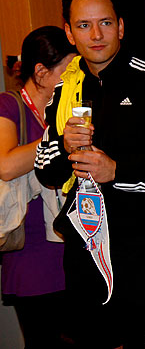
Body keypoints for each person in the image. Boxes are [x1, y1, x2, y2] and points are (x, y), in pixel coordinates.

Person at [34, 0, 145, 349]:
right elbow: (46, 171)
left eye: (105, 23)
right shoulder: (64, 90)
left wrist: (118, 171)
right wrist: (63, 145)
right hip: (83, 255)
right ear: (69, 32)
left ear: (121, 27)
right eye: (84, 25)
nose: (96, 34)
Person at [0, 26, 76, 348]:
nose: (74, 78)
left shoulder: (72, 107)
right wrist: (56, 138)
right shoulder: (9, 105)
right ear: (41, 72)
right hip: (31, 254)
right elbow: (5, 165)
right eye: (68, 71)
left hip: (73, 247)